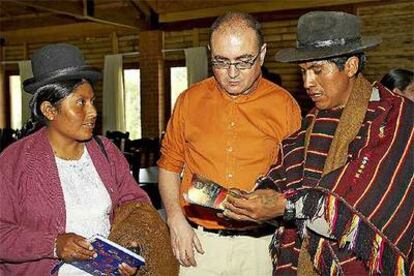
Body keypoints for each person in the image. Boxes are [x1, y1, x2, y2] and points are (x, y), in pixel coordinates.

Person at [223, 11, 413, 275]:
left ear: (350, 66)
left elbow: (359, 199)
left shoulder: (395, 117)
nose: (308, 83)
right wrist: (251, 198)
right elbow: (285, 175)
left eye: (317, 70)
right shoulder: (313, 122)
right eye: (303, 72)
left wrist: (286, 205)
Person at [158, 12, 301, 275]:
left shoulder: (285, 106)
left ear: (263, 54)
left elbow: (297, 181)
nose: (232, 73)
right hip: (200, 244)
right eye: (221, 62)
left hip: (261, 245)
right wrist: (176, 220)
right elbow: (168, 166)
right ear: (210, 53)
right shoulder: (189, 101)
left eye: (244, 62)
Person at [0, 43, 151, 275]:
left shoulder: (106, 152)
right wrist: (53, 245)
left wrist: (129, 247)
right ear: (50, 110)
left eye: (92, 102)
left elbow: (135, 205)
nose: (92, 112)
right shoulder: (14, 162)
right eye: (81, 103)